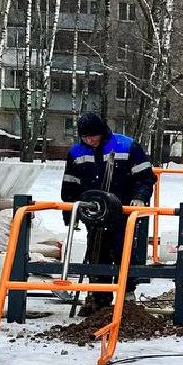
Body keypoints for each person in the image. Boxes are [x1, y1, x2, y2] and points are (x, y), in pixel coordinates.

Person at [60, 112, 155, 310]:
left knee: (123, 251)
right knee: (97, 253)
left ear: (102, 132)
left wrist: (139, 198)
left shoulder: (126, 146)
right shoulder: (76, 152)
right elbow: (71, 183)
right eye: (85, 137)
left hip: (123, 212)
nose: (90, 140)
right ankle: (99, 299)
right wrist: (70, 211)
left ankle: (127, 296)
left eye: (93, 136)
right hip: (94, 213)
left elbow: (145, 177)